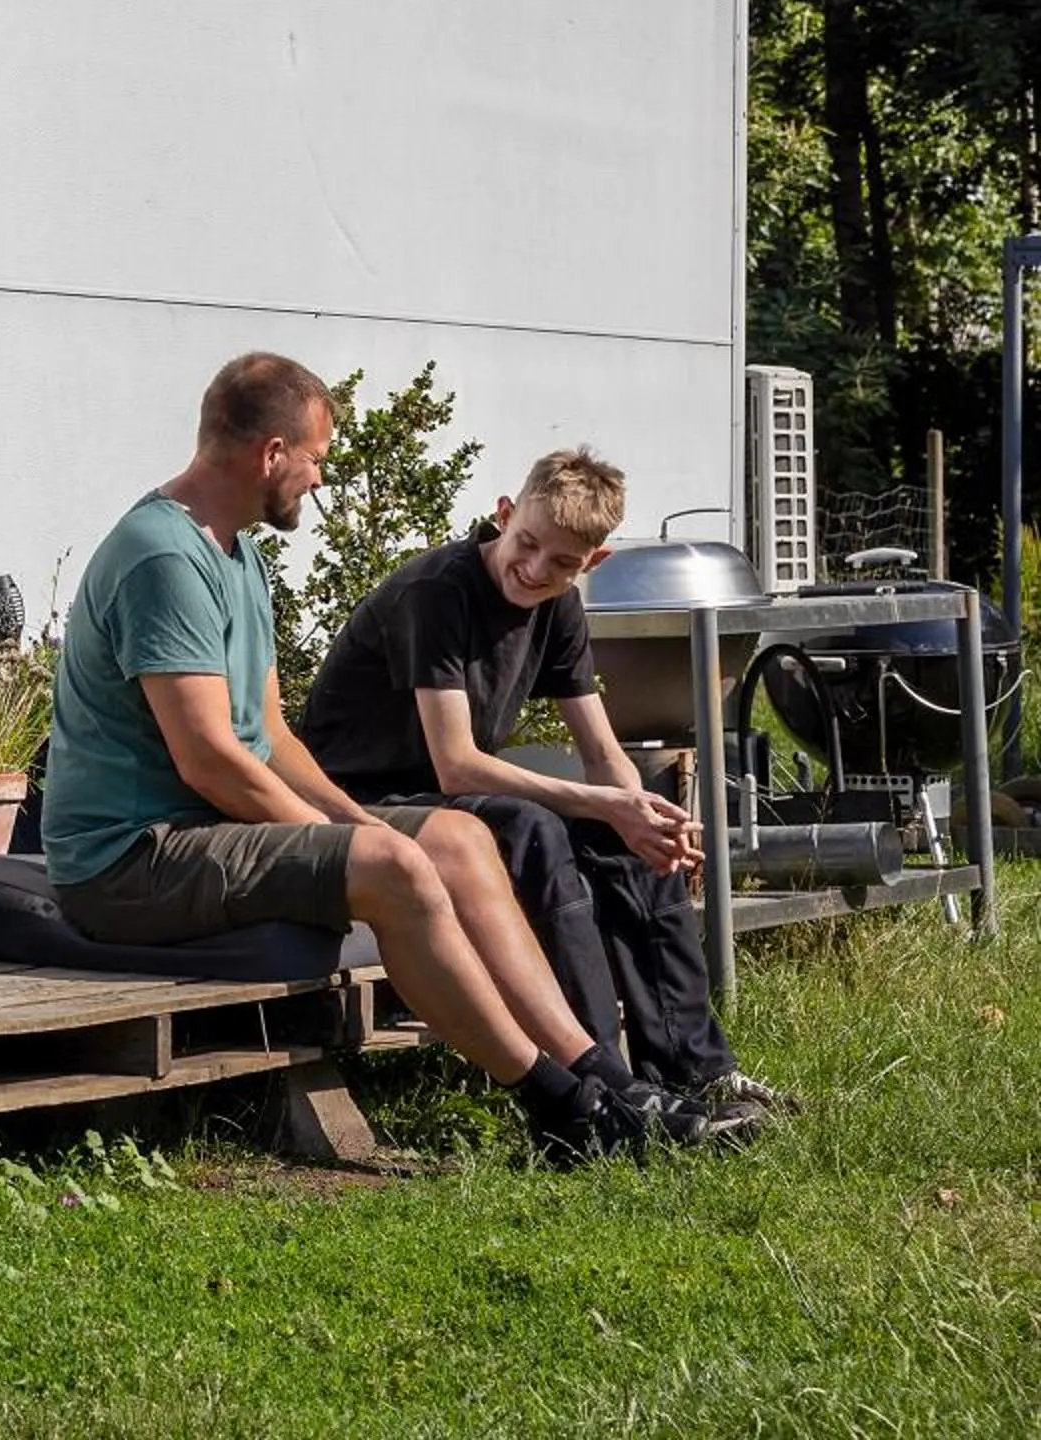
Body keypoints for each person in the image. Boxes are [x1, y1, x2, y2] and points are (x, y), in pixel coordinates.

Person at [41, 352, 693, 1161]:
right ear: (271, 453)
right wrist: (354, 845)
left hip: (200, 833)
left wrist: (347, 819)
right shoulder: (164, 559)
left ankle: (600, 1073)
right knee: (396, 866)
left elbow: (271, 735)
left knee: (454, 837)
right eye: (316, 458)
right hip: (130, 860)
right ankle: (561, 1107)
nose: (319, 479)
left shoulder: (236, 555)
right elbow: (211, 759)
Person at [296, 445, 787, 1128]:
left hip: (443, 803)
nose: (535, 569)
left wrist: (643, 814)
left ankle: (691, 1069)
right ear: (504, 514)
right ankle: (604, 1084)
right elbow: (456, 767)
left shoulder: (558, 608)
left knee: (634, 832)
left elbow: (601, 751)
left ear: (594, 562)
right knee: (536, 829)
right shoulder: (437, 594)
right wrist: (608, 803)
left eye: (561, 563)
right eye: (527, 544)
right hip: (359, 803)